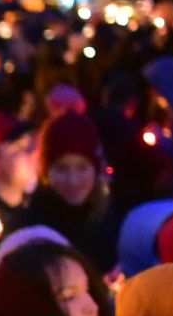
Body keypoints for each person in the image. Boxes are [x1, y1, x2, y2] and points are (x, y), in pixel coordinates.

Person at [17, 112, 115, 273]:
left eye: (82, 167)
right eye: (62, 169)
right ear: (46, 172)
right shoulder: (31, 229)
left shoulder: (104, 215)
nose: (73, 180)